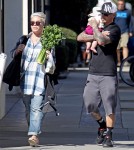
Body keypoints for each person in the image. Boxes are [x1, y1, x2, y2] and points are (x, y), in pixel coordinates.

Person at [77, 2, 121, 147]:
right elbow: (80, 37)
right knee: (89, 104)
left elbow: (102, 41)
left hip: (108, 73)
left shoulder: (114, 29)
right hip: (93, 73)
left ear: (113, 16)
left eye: (106, 14)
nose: (103, 16)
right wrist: (97, 34)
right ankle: (101, 125)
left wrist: (96, 30)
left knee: (109, 106)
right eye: (102, 13)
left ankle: (108, 134)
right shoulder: (99, 29)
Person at [14, 12, 50, 147]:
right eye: (32, 23)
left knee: (36, 109)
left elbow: (53, 67)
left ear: (43, 24)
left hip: (39, 81)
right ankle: (33, 129)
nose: (34, 25)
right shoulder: (24, 40)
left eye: (37, 23)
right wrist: (18, 50)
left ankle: (34, 135)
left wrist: (49, 56)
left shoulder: (47, 41)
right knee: (28, 109)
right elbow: (14, 56)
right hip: (25, 81)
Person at [114, 0, 133, 66]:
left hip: (125, 31)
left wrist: (130, 31)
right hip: (116, 32)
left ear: (124, 5)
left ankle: (125, 61)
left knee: (124, 46)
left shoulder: (128, 12)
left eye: (122, 4)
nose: (120, 5)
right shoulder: (115, 12)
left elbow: (130, 22)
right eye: (119, 4)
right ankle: (118, 62)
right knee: (117, 48)